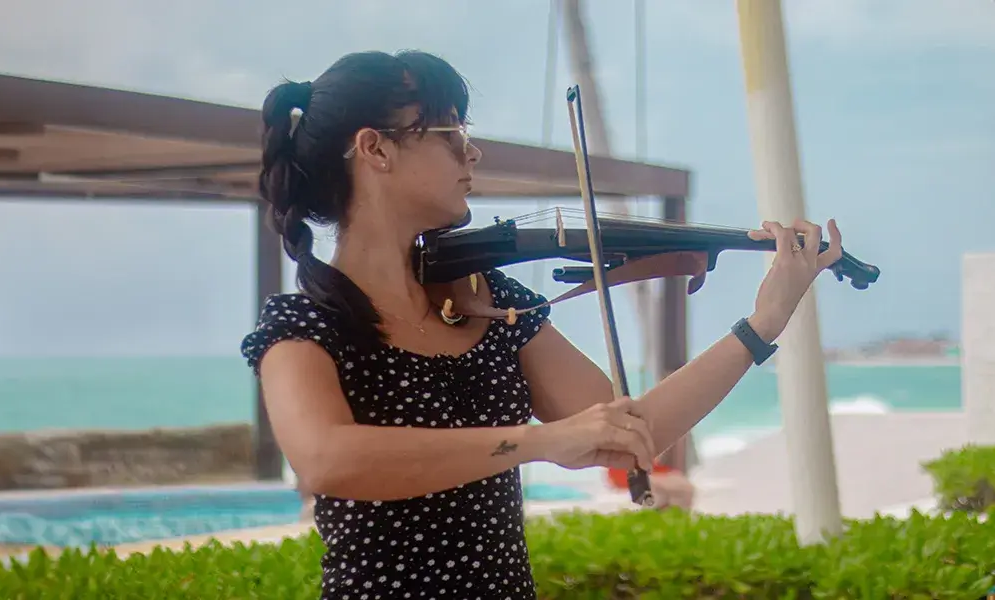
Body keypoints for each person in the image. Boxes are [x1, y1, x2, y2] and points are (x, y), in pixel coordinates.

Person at [241, 49, 843, 600]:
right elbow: (329, 459)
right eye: (452, 133)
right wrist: (542, 442)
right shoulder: (305, 324)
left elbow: (633, 432)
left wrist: (765, 320)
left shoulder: (488, 300)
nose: (471, 152)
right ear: (375, 149)